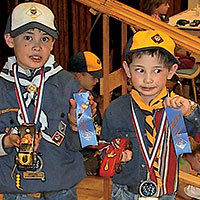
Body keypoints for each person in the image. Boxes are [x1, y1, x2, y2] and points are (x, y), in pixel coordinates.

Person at [0, 2, 96, 199]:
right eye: (28, 37)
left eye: (45, 39)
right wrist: (7, 141)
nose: (37, 46)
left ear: (52, 44)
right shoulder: (1, 85)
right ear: (10, 40)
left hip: (61, 186)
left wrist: (77, 125)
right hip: (15, 186)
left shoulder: (71, 83)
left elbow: (87, 140)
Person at [100, 29, 200, 200]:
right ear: (127, 69)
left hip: (165, 194)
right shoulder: (116, 109)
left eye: (157, 71)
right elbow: (104, 145)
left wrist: (191, 112)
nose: (148, 79)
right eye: (140, 70)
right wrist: (115, 155)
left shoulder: (177, 109)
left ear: (171, 70)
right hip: (125, 192)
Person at [68, 51, 103, 175]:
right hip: (75, 159)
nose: (97, 81)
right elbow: (88, 141)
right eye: (93, 77)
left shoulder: (88, 95)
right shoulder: (75, 99)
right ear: (78, 76)